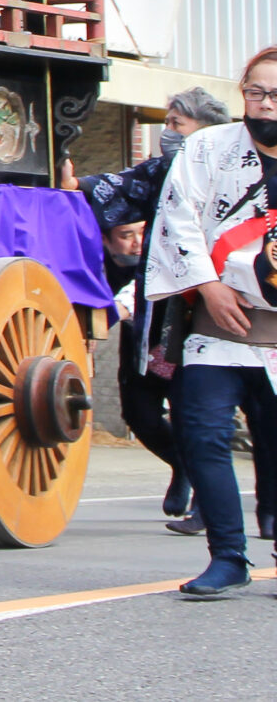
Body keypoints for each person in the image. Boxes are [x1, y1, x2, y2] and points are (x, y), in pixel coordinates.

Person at [143, 46, 277, 598]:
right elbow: (177, 216)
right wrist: (209, 286)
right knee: (202, 435)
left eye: (275, 94)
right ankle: (228, 554)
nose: (265, 103)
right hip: (218, 320)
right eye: (256, 92)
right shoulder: (206, 148)